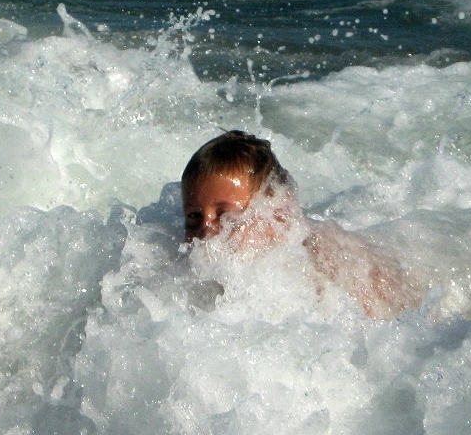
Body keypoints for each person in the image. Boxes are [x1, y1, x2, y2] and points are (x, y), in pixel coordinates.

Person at [180, 130, 424, 319]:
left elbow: (394, 324)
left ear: (278, 216)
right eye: (193, 217)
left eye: (227, 216)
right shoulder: (199, 269)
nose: (207, 231)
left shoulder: (320, 262)